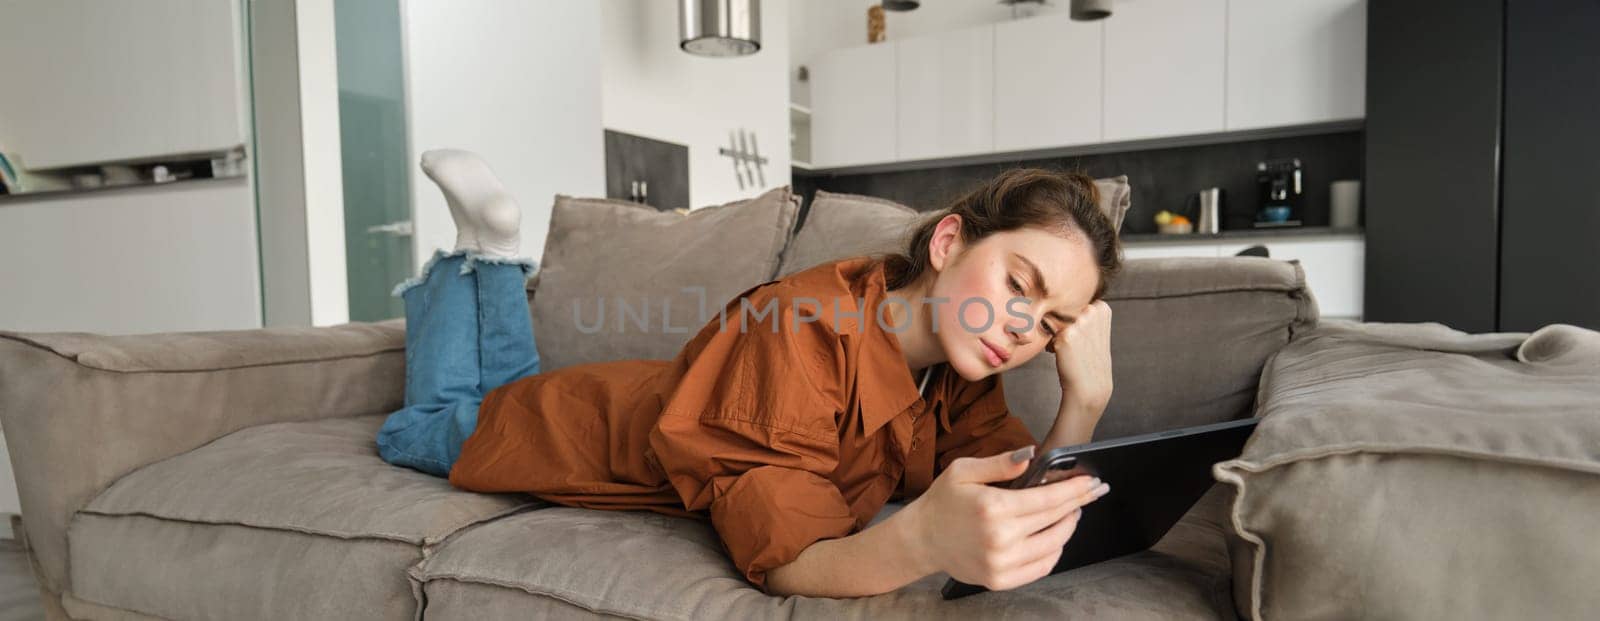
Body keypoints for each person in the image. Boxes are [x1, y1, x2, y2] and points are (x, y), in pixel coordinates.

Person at [377, 151, 1123, 598]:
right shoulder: (804, 329)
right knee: (421, 423)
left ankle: (495, 251)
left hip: (634, 389)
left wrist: (1085, 396)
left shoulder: (963, 369)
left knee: (498, 383)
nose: (1026, 328)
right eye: (1019, 285)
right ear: (950, 241)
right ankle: (485, 247)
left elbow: (1020, 507)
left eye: (1053, 323)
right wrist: (923, 542)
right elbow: (789, 562)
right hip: (565, 429)